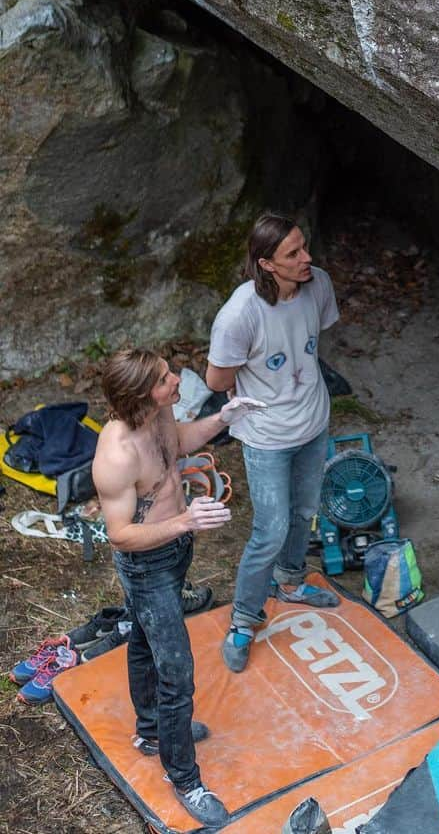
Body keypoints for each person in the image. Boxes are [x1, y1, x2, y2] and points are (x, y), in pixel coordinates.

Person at [94, 350, 263, 830]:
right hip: (146, 565)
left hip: (176, 547)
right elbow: (120, 534)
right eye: (168, 379)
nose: (178, 381)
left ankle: (151, 731)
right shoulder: (117, 455)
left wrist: (223, 418)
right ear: (144, 394)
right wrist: (187, 519)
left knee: (145, 643)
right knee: (178, 673)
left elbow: (178, 444)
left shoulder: (160, 411)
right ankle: (184, 776)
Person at [207, 214, 341, 673]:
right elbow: (217, 378)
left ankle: (290, 582)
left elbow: (312, 337)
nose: (307, 258)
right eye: (293, 254)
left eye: (305, 246)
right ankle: (244, 620)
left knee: (305, 512)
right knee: (270, 528)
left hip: (313, 423)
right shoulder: (239, 315)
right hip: (266, 437)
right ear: (266, 264)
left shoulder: (317, 283)